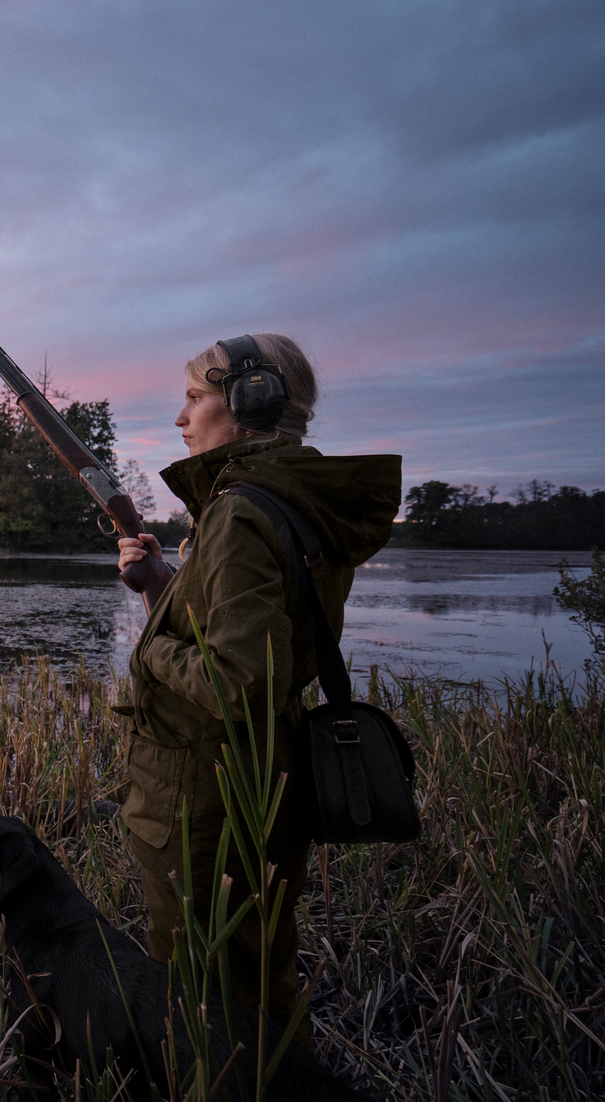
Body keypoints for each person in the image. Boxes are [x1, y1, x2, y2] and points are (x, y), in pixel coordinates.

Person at [114, 333, 400, 1032]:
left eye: (193, 397)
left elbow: (239, 682)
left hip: (203, 794)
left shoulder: (240, 510)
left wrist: (151, 652)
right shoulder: (292, 497)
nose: (181, 418)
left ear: (250, 400)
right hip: (261, 773)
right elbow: (259, 639)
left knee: (198, 995)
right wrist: (163, 586)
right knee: (254, 976)